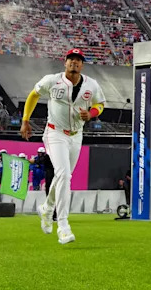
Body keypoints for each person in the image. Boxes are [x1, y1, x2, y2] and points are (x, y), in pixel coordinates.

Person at [21, 48, 106, 245]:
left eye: (78, 60)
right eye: (71, 59)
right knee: (64, 175)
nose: (74, 62)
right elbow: (33, 95)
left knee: (63, 177)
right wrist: (25, 120)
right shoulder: (52, 80)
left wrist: (91, 114)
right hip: (55, 132)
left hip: (76, 135)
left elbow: (100, 104)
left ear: (82, 65)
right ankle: (63, 226)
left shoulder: (91, 84)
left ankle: (46, 208)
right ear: (65, 62)